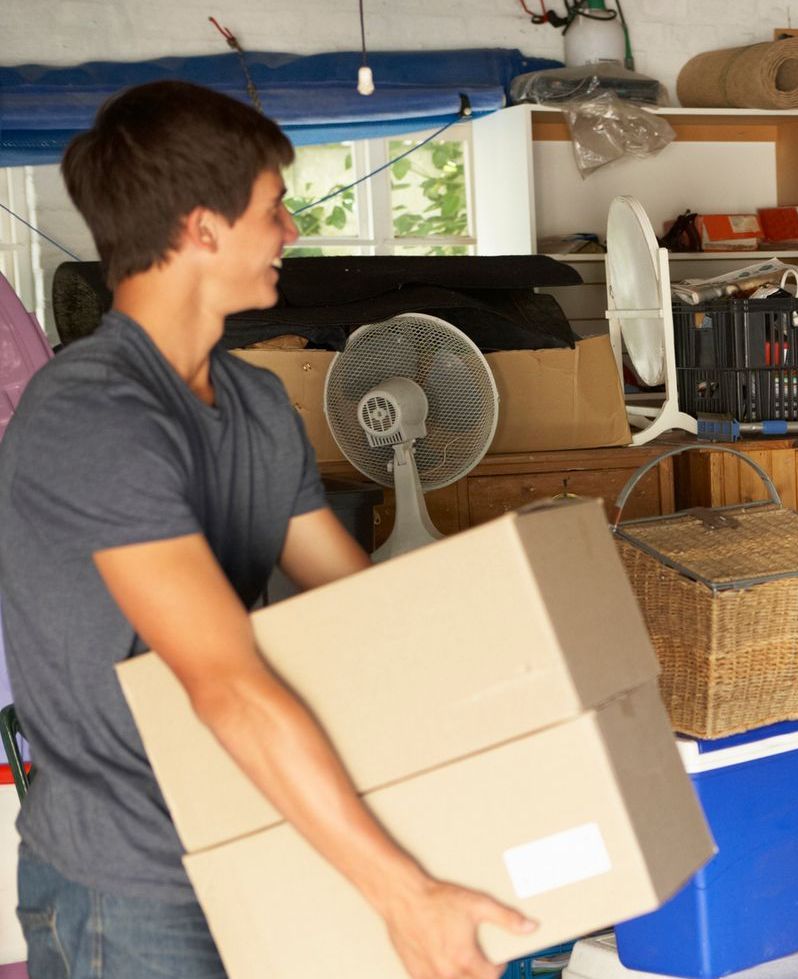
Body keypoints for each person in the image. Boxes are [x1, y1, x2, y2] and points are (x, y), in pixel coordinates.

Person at [0, 81, 533, 979]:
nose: (291, 232)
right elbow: (225, 683)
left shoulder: (252, 402)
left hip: (250, 826)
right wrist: (402, 892)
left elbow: (357, 601)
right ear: (203, 228)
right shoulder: (91, 416)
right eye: (273, 208)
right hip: (128, 878)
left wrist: (518, 672)